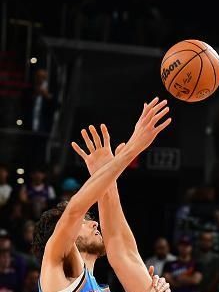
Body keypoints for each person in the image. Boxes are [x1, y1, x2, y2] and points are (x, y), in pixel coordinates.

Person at [32, 98, 172, 292]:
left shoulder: (100, 288)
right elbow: (74, 211)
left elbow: (122, 249)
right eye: (84, 222)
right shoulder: (55, 274)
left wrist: (108, 182)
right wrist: (131, 150)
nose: (95, 223)